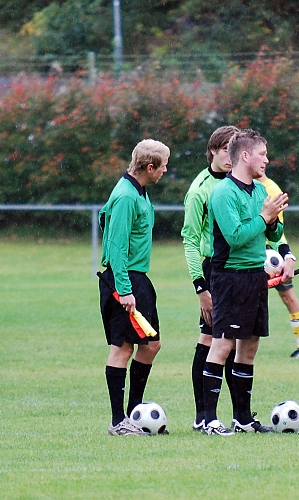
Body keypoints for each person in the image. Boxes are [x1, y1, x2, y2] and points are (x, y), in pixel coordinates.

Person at [202, 129, 289, 435]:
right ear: (245, 156)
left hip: (255, 278)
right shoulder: (223, 193)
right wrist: (265, 217)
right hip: (230, 278)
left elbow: (272, 235)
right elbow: (235, 237)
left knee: (249, 348)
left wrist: (274, 217)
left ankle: (242, 418)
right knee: (222, 345)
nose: (267, 159)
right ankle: (210, 419)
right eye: (263, 154)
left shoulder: (260, 191)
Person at [98, 139, 170, 435]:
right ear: (149, 167)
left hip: (138, 279)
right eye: (164, 165)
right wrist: (124, 288)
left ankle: (135, 417)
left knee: (150, 345)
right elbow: (115, 244)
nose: (166, 170)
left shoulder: (138, 191)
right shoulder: (127, 196)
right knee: (123, 348)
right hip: (124, 279)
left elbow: (103, 215)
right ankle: (119, 422)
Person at [181, 125, 240, 432]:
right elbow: (190, 240)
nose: (231, 157)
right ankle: (203, 416)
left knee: (234, 341)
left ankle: (240, 416)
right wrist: (200, 286)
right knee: (211, 340)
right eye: (225, 150)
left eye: (235, 150)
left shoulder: (242, 183)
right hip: (212, 269)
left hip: (240, 268)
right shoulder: (200, 190)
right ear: (214, 151)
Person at [255, 171, 299, 358]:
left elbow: (275, 228)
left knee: (288, 296)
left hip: (271, 255)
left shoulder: (271, 188)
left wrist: (285, 255)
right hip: (252, 253)